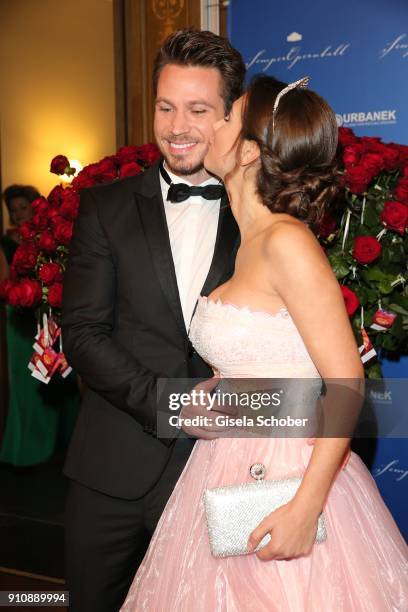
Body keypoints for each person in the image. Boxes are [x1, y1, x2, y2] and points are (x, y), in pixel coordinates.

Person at [120, 76, 408, 611]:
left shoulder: (286, 242)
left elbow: (345, 385)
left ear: (249, 150)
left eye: (226, 116)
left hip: (287, 479)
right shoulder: (251, 242)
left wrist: (306, 507)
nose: (210, 123)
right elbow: (278, 369)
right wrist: (221, 399)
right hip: (225, 468)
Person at [61, 28, 245, 612]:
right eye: (166, 107)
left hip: (220, 472)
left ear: (231, 113)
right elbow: (83, 332)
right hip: (110, 469)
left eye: (197, 109)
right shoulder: (105, 207)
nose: (177, 126)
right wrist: (172, 403)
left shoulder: (263, 220)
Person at [0, 185, 79, 466]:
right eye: (14, 210)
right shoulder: (6, 244)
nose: (19, 214)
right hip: (20, 320)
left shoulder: (50, 239)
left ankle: (64, 445)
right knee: (28, 386)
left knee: (58, 375)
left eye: (23, 208)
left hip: (50, 317)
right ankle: (30, 449)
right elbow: (5, 284)